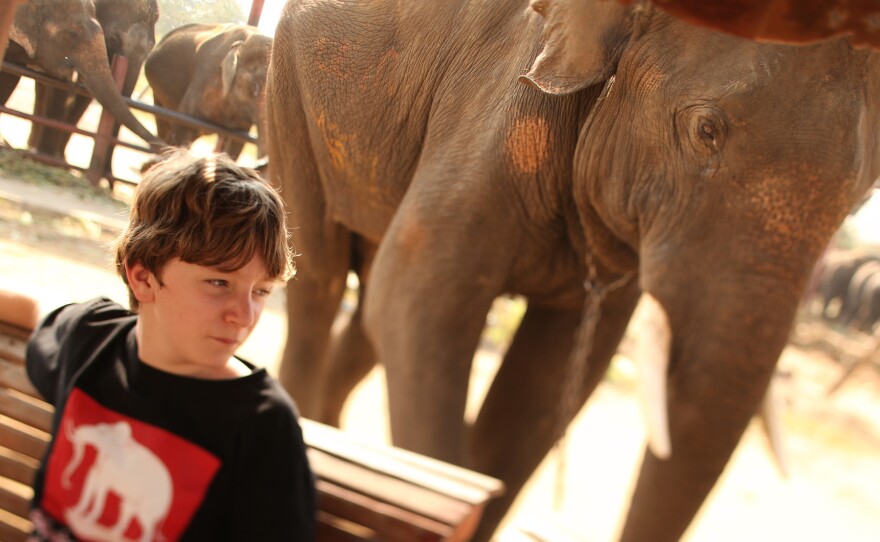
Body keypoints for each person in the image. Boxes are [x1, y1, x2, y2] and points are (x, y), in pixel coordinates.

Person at [2, 149, 315, 541]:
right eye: (220, 283)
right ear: (143, 278)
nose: (245, 314)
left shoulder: (263, 425)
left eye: (262, 291)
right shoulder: (89, 337)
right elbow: (34, 314)